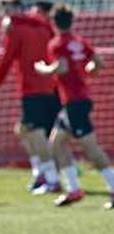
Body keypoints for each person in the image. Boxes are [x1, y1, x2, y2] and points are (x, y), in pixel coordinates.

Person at [34, 3, 114, 208]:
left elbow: (60, 68)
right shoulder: (79, 41)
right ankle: (74, 189)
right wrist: (84, 72)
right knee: (56, 143)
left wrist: (42, 68)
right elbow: (98, 63)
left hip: (74, 102)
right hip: (77, 99)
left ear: (53, 22)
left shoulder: (57, 43)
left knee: (91, 149)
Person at [0, 0, 62, 193]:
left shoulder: (16, 28)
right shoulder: (44, 25)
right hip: (52, 87)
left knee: (36, 134)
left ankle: (51, 178)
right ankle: (40, 173)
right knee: (24, 130)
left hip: (32, 89)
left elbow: (6, 60)